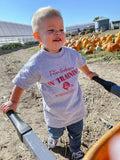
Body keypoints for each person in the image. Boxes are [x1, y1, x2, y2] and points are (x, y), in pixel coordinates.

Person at [0, 6, 98, 160]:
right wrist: (13, 101)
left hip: (76, 108)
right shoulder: (37, 63)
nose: (58, 33)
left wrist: (89, 73)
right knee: (56, 132)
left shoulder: (71, 53)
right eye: (51, 30)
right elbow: (21, 82)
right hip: (55, 114)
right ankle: (53, 138)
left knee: (76, 134)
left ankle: (75, 151)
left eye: (61, 29)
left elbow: (81, 62)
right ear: (38, 37)